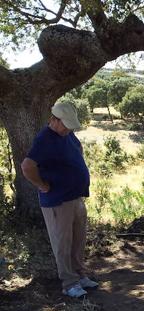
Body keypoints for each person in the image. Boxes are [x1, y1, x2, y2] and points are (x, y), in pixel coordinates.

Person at [21, 102, 98, 298]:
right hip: (58, 200)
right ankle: (69, 283)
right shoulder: (44, 139)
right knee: (63, 242)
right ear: (54, 120)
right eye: (66, 125)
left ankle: (80, 276)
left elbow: (77, 148)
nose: (69, 129)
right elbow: (27, 166)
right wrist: (42, 185)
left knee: (78, 240)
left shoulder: (67, 133)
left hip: (75, 196)